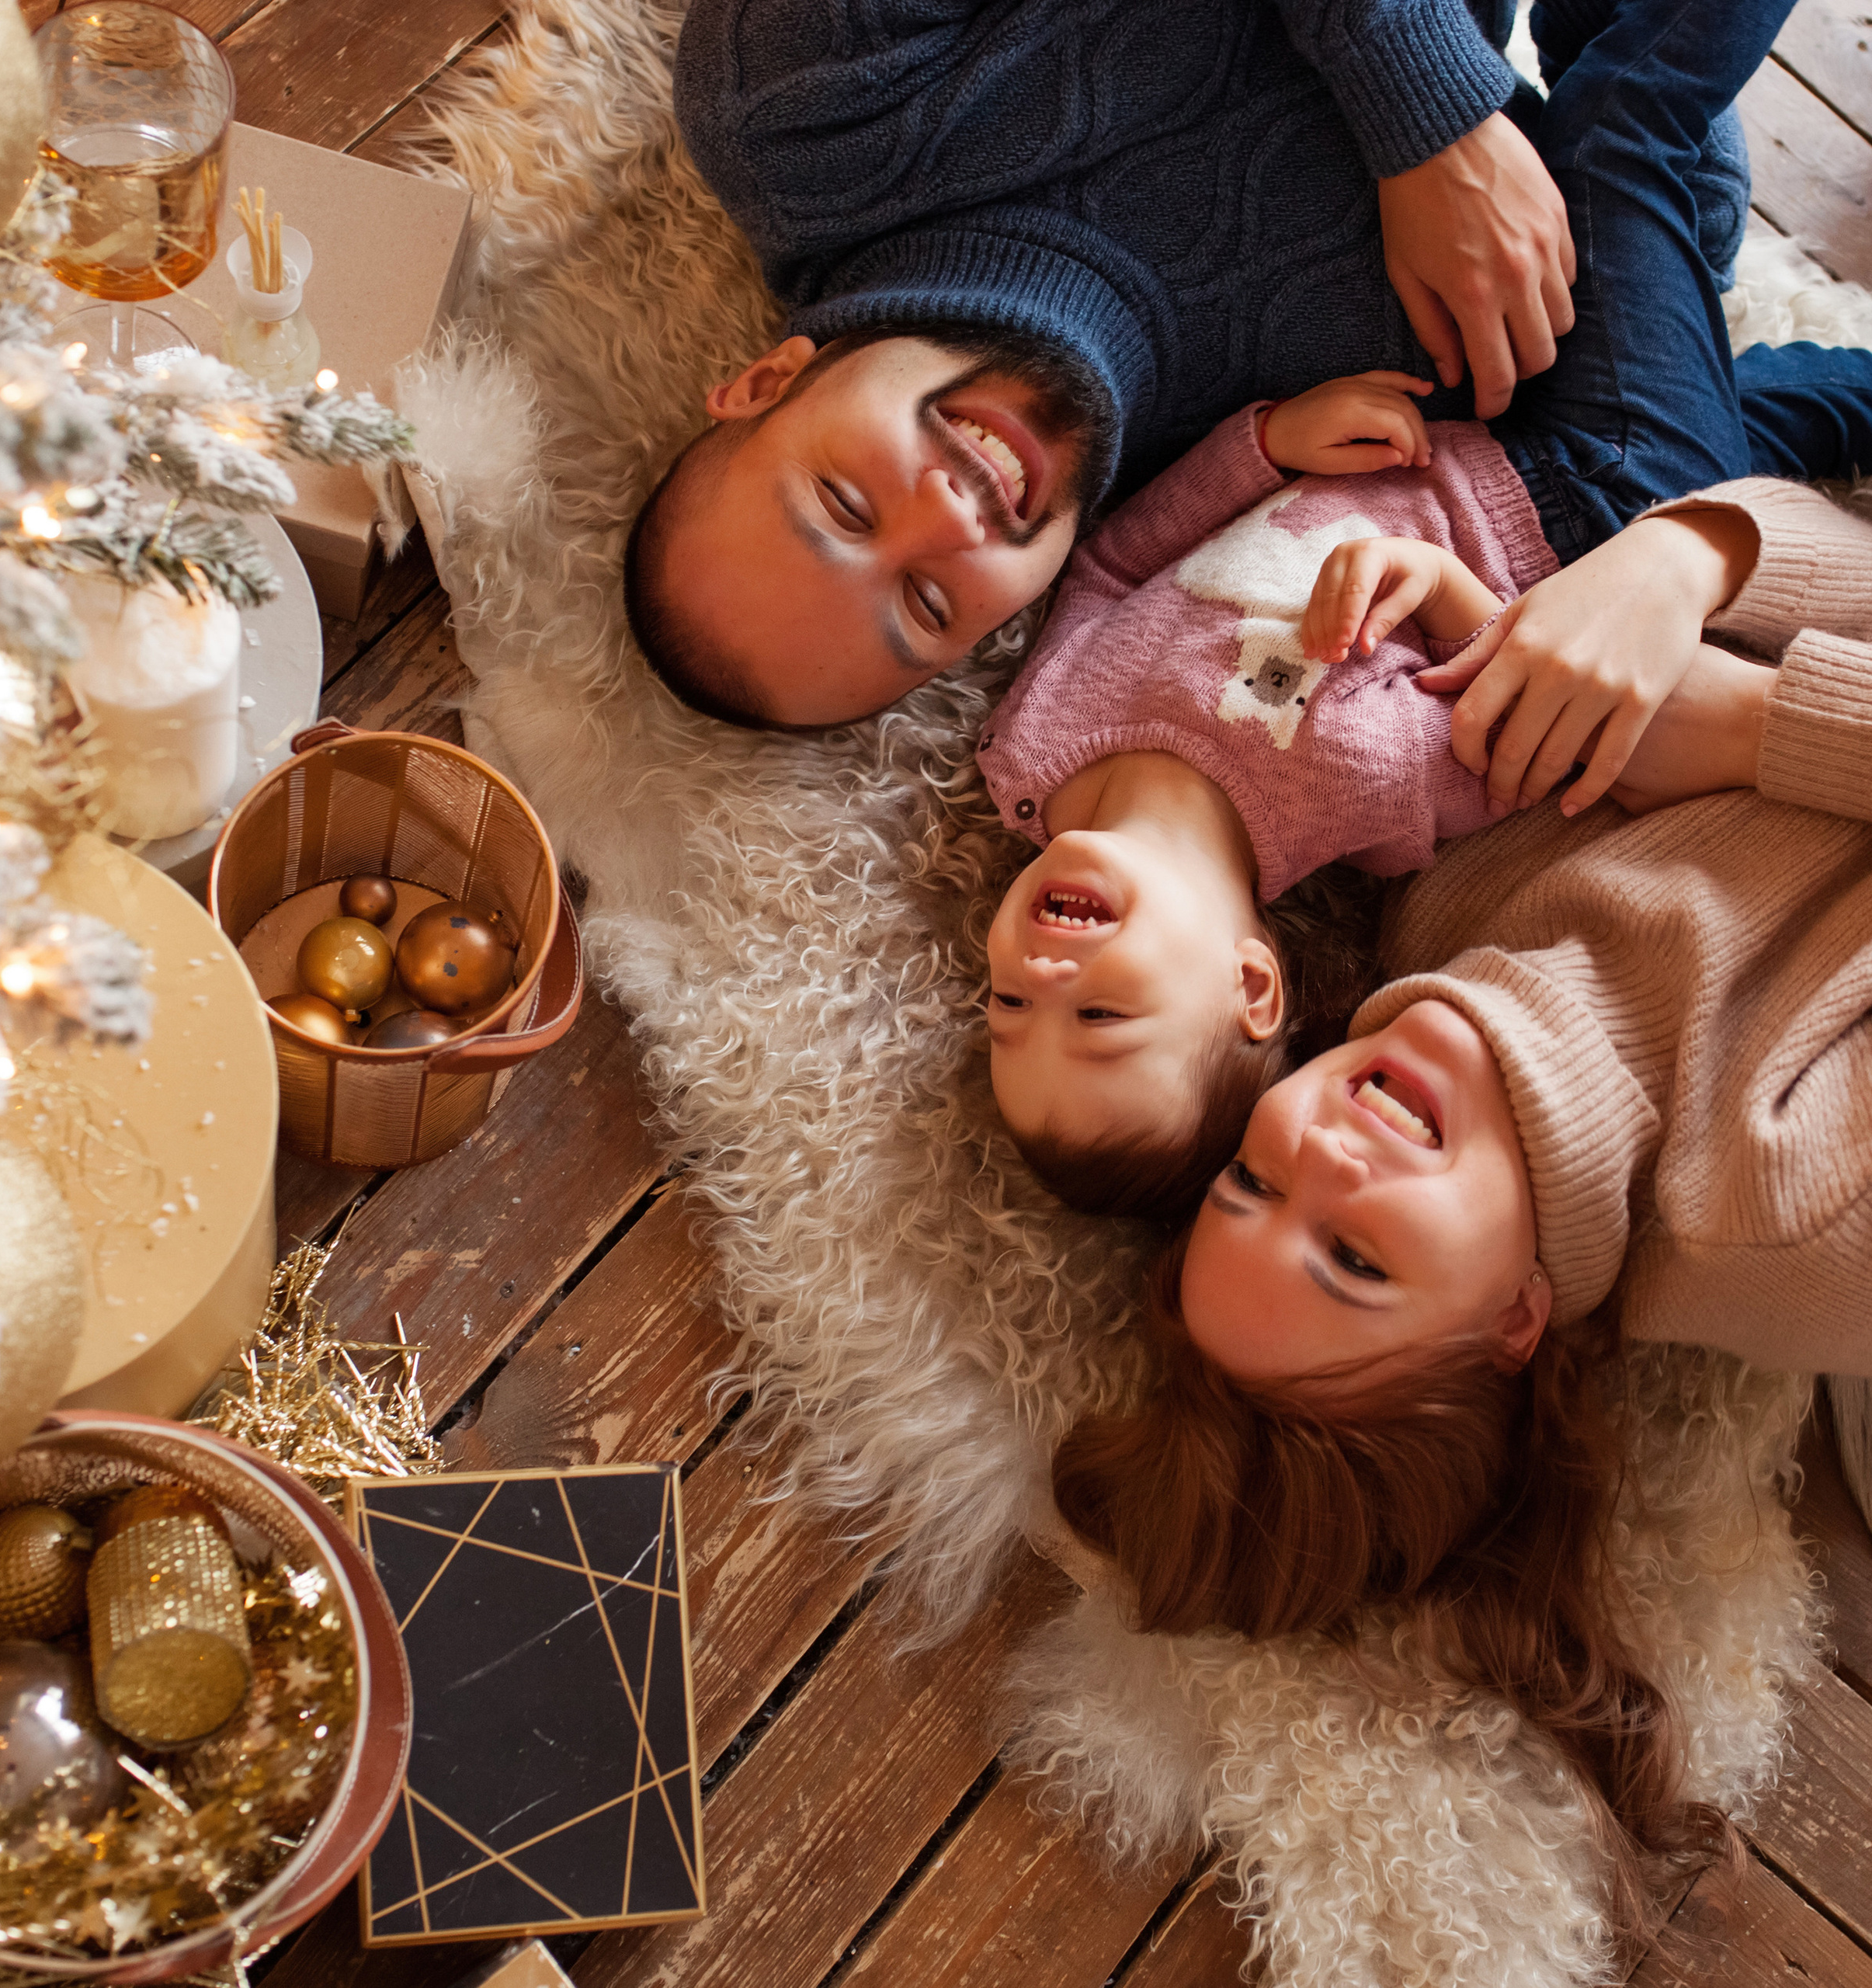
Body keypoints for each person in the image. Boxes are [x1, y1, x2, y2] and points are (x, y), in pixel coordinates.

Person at [1048, 471, 1872, 1936]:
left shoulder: (1443, 918)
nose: (1321, 1149)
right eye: (1356, 1257)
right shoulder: (1798, 1213)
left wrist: (1671, 564)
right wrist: (1745, 716)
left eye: (1252, 1181)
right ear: (1512, 1323)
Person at [977, 0, 1872, 1215]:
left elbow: (1107, 565)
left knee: (1756, 400)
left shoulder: (1028, 752)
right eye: (1100, 1012)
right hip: (1607, 497)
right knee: (1619, 131)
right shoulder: (1360, 792)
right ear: (1251, 986)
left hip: (1468, 414)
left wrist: (1261, 447)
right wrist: (1452, 601)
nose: (1043, 970)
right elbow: (1540, 719)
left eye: (1010, 1009)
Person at [628, 0, 1745, 728]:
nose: (952, 518)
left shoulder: (796, 109)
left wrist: (1430, 112)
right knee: (1652, 507)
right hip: (1579, 100)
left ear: (767, 381)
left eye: (844, 499)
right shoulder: (1240, 510)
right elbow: (1649, 398)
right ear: (995, 633)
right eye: (926, 603)